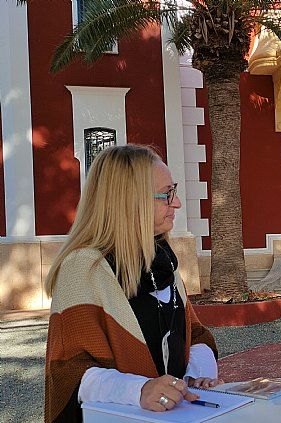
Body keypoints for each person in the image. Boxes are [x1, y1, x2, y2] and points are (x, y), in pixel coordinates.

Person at [44, 145, 220, 423]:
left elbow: (195, 336)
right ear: (129, 201)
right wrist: (139, 390)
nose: (176, 203)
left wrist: (193, 377)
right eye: (167, 194)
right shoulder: (83, 268)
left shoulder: (162, 261)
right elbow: (69, 372)